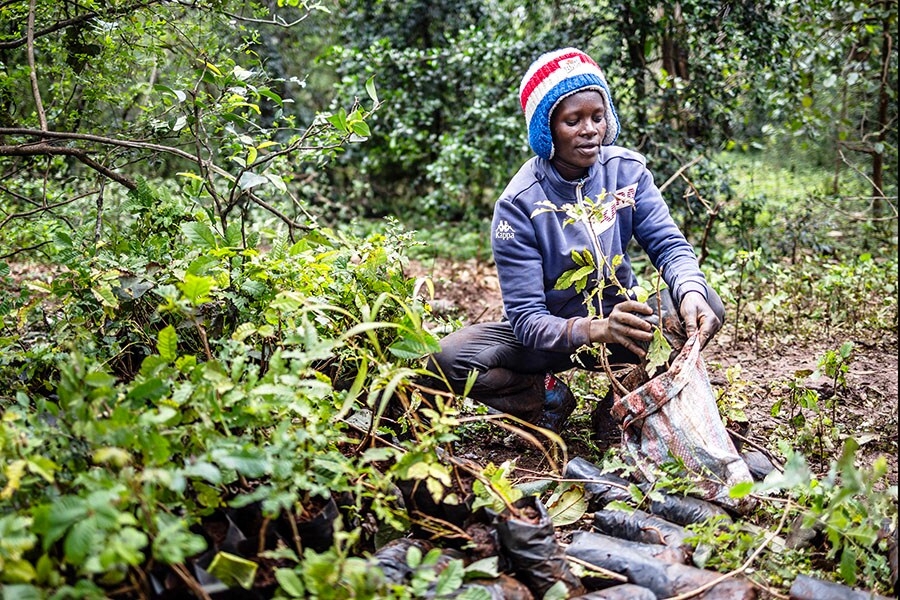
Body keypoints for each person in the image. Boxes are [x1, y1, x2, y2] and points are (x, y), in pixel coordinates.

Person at [426, 48, 724, 435]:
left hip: (624, 327)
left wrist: (688, 290)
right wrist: (594, 329)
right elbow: (527, 319)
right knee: (444, 359)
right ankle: (545, 400)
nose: (590, 130)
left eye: (597, 117)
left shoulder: (627, 174)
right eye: (573, 120)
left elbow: (669, 245)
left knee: (702, 302)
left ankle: (622, 408)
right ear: (546, 129)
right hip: (546, 341)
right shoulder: (519, 204)